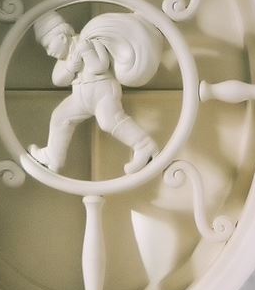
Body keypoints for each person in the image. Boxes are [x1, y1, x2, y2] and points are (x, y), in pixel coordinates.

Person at [28, 10, 160, 175]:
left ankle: (145, 146)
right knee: (60, 117)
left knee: (109, 121)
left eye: (48, 45)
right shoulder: (64, 59)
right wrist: (70, 67)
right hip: (80, 98)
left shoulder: (88, 41)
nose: (48, 52)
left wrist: (87, 52)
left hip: (103, 93)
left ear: (61, 37)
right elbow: (57, 80)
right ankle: (52, 158)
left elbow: (100, 66)